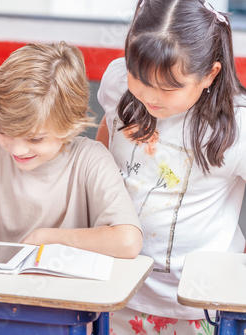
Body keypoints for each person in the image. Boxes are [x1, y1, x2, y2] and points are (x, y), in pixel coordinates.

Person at [96, 0, 246, 333]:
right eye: (139, 79)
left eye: (168, 88)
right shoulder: (117, 81)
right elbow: (104, 140)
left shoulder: (237, 123)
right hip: (117, 288)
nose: (150, 97)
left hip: (200, 303)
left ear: (210, 74)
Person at [0, 42, 143, 260]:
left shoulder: (91, 160)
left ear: (69, 125)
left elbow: (128, 241)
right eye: (3, 131)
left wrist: (50, 238)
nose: (17, 148)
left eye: (35, 138)